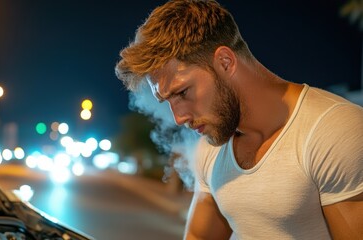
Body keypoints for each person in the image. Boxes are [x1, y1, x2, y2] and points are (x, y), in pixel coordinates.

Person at [115, 0, 363, 239]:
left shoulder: (334, 131)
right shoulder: (211, 145)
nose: (179, 118)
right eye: (167, 100)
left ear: (225, 62)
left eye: (182, 93)